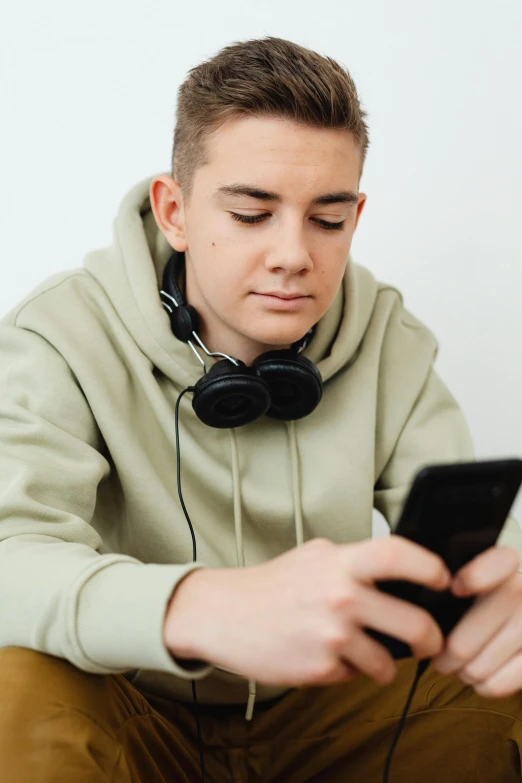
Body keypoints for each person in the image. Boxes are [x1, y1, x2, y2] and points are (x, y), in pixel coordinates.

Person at [0, 35, 521, 783]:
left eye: (328, 219)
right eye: (252, 213)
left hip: (334, 715)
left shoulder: (389, 338)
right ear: (174, 211)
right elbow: (8, 560)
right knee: (14, 689)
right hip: (133, 708)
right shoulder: (54, 335)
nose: (293, 255)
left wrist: (508, 596)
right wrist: (202, 605)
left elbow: (494, 546)